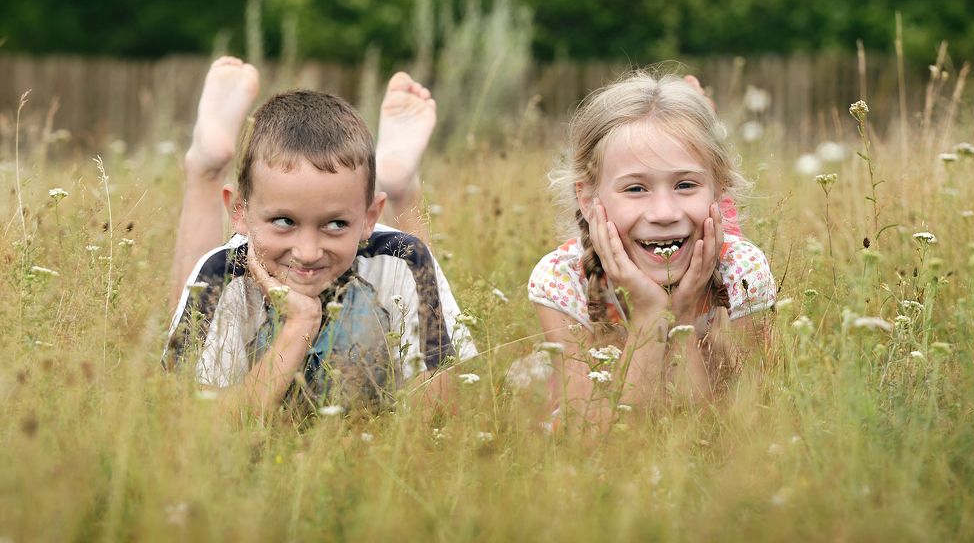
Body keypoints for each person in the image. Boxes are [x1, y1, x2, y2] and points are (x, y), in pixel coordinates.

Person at [163, 57, 476, 416]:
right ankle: (206, 170)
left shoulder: (402, 256)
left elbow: (438, 415)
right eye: (284, 221)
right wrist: (299, 324)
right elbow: (198, 427)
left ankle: (401, 184)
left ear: (369, 217)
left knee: (413, 261)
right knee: (197, 295)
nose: (308, 252)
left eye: (335, 224)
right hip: (228, 272)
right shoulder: (222, 274)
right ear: (240, 213)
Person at [528, 70, 776, 428]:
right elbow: (593, 444)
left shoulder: (743, 272)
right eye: (635, 189)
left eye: (685, 184)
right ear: (587, 199)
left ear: (719, 189)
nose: (664, 213)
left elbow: (731, 432)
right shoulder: (563, 278)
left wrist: (683, 314)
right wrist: (649, 315)